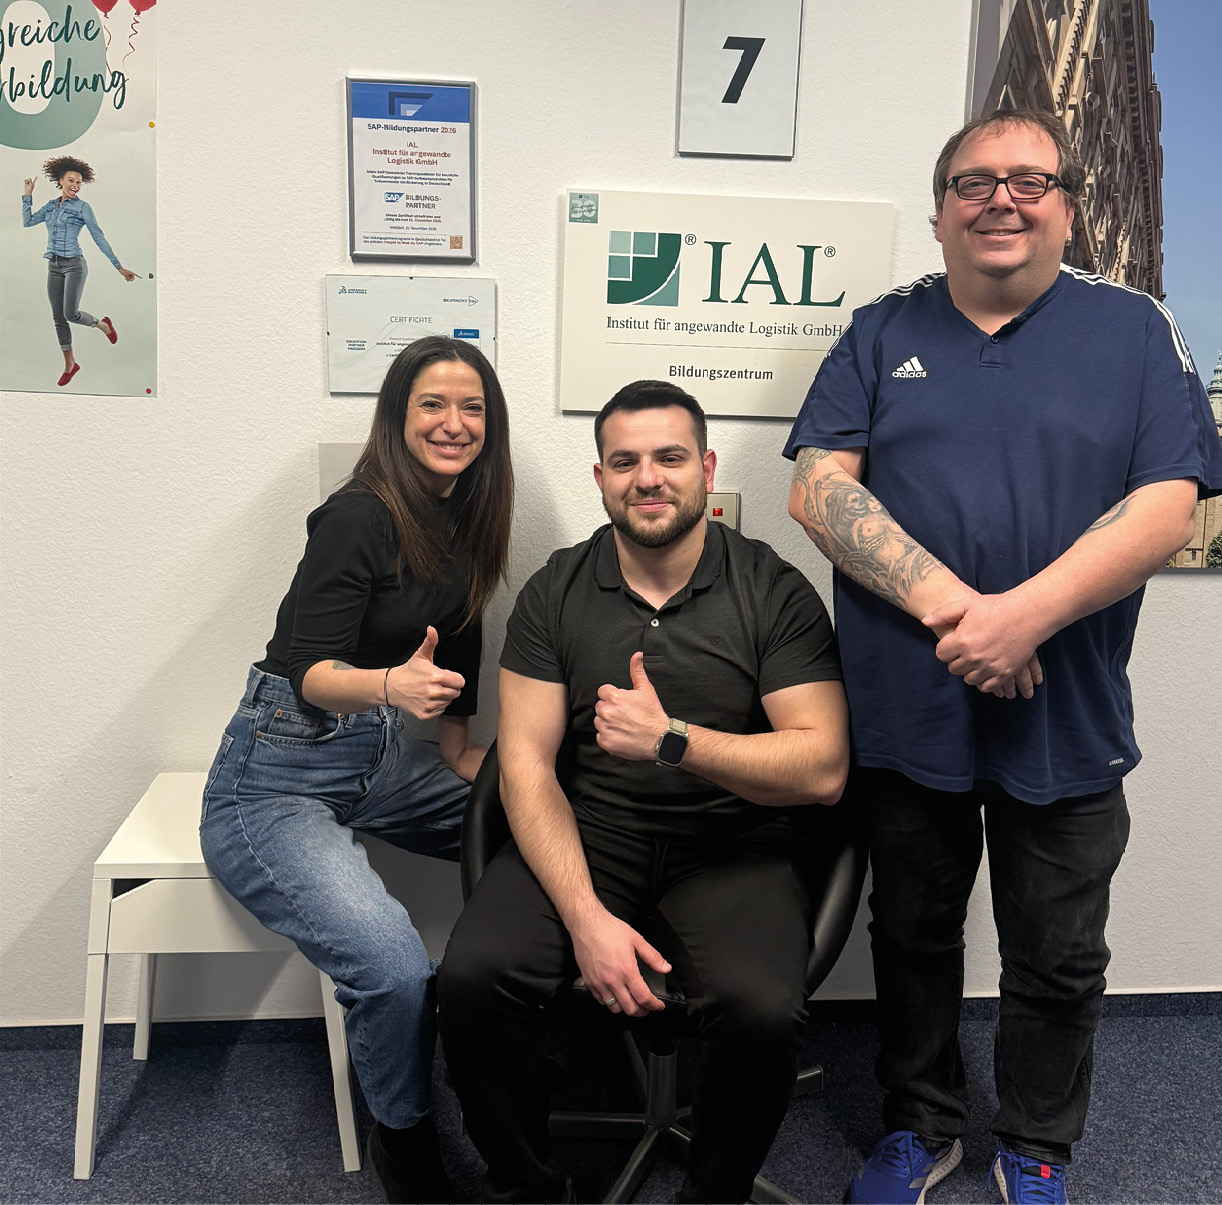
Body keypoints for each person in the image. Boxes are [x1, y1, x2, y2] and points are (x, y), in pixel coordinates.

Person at [784, 108, 1222, 1205]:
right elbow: (818, 488)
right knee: (912, 933)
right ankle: (919, 1122)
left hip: (1066, 712)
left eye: (1029, 181)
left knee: (1058, 950)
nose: (1001, 200)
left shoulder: (1134, 330)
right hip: (908, 709)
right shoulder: (879, 330)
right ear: (940, 213)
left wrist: (1022, 619)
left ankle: (1036, 1141)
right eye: (973, 182)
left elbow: (1168, 504)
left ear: (1067, 209)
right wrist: (964, 616)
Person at [439, 380, 850, 1204]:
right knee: (471, 979)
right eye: (624, 462)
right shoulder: (556, 589)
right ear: (601, 478)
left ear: (706, 468)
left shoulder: (773, 589)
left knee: (761, 1008)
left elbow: (823, 767)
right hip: (591, 833)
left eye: (669, 457)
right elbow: (525, 765)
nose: (648, 477)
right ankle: (529, 1186)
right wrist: (586, 918)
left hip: (734, 844)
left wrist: (672, 739)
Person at [199, 335, 513, 1203]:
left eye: (472, 407)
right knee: (395, 968)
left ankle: (525, 1053)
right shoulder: (360, 515)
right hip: (276, 774)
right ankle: (405, 1144)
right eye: (433, 404)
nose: (454, 423)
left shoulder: (467, 517)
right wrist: (387, 686)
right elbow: (309, 669)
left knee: (544, 826)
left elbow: (458, 649)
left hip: (380, 758)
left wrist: (462, 752)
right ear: (397, 417)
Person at [21, 156, 140, 387]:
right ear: (60, 181)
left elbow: (98, 237)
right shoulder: (50, 206)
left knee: (70, 314)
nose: (75, 185)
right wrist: (28, 195)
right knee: (58, 317)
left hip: (74, 265)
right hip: (53, 265)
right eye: (71, 181)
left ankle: (103, 325)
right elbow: (28, 222)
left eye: (79, 182)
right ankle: (70, 364)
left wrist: (118, 266)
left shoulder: (83, 208)